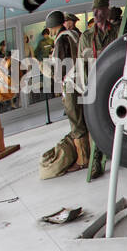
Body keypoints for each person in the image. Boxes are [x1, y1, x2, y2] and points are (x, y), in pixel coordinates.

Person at [77, 0, 117, 177]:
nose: (96, 13)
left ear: (107, 11)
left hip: (116, 83)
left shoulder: (117, 31)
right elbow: (80, 64)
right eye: (94, 10)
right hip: (95, 85)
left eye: (100, 10)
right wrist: (86, 87)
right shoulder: (86, 37)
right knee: (96, 125)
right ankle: (95, 163)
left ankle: (121, 156)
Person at [48, 9, 87, 172]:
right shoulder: (75, 35)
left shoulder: (61, 40)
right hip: (82, 82)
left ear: (51, 27)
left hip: (71, 85)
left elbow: (58, 70)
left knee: (76, 123)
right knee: (85, 119)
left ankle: (83, 159)